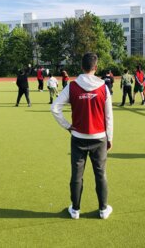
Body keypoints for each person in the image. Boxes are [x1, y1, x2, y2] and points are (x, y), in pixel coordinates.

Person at [51, 52, 113, 220]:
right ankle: (103, 209)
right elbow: (109, 116)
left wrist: (67, 126)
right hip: (99, 137)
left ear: (81, 67)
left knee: (77, 174)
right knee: (100, 174)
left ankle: (75, 210)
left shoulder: (72, 86)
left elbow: (54, 107)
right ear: (96, 67)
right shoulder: (104, 87)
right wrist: (110, 138)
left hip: (78, 137)